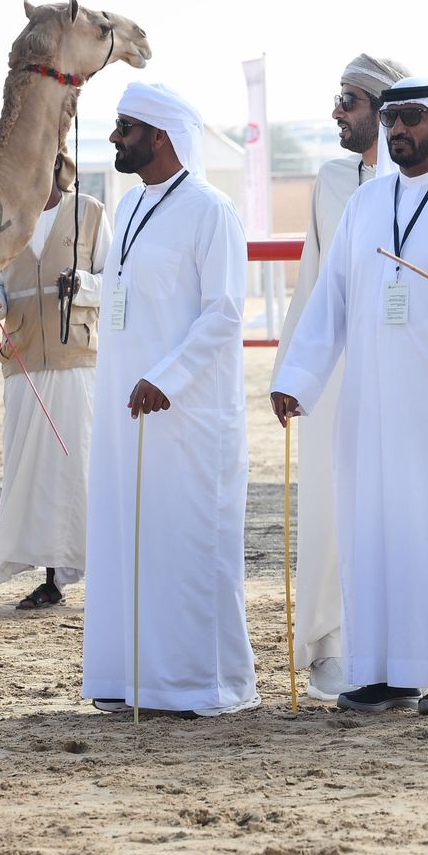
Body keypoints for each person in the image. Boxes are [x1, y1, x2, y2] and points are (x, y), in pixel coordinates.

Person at [271, 77, 428, 714]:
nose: (399, 130)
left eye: (411, 118)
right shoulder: (365, 204)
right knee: (373, 534)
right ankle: (383, 673)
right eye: (392, 119)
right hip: (372, 409)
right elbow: (331, 304)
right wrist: (296, 380)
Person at [80, 82, 258, 717]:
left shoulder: (212, 211)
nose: (114, 138)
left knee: (185, 545)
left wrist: (169, 377)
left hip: (186, 414)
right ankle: (130, 678)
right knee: (127, 538)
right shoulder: (127, 208)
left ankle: (200, 685)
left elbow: (224, 313)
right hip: (123, 408)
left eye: (124, 127)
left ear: (160, 136)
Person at [273, 52, 409, 702]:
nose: (337, 112)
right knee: (330, 507)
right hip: (336, 373)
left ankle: (407, 648)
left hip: (408, 373)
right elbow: (315, 283)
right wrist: (295, 373)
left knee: (401, 509)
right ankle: (331, 645)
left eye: (350, 101)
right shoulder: (331, 179)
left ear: (386, 112)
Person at [0, 153, 110, 610]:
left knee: (73, 470)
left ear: (55, 170)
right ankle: (47, 574)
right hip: (23, 363)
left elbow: (118, 281)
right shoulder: (6, 223)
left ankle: (71, 572)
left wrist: (86, 286)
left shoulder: (89, 211)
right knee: (29, 474)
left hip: (77, 362)